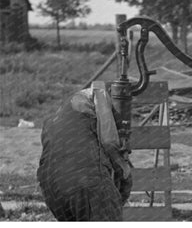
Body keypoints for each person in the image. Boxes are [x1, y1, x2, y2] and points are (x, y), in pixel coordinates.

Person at [37, 82, 133, 221]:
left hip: (51, 189)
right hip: (86, 183)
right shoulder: (98, 92)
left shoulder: (55, 118)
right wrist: (125, 171)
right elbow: (109, 141)